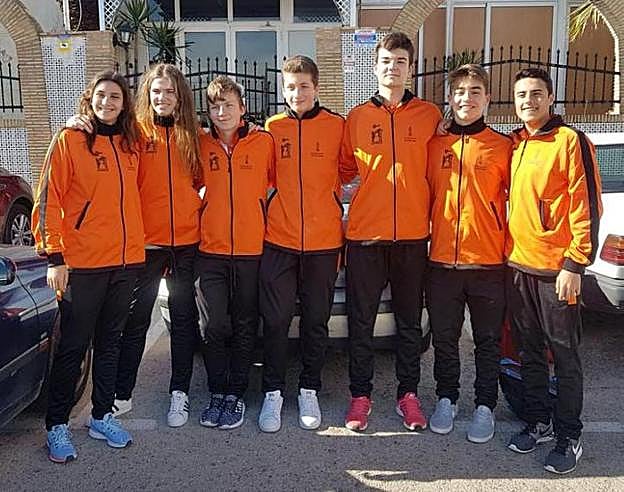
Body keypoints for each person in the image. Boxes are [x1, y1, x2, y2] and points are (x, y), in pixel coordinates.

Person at [66, 64, 203, 428]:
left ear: (180, 96)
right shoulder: (134, 134)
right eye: (156, 91)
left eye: (170, 91)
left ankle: (179, 393)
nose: (163, 97)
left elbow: (203, 180)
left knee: (184, 320)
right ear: (146, 94)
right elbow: (101, 138)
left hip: (186, 243)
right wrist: (78, 122)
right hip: (146, 245)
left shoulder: (195, 135)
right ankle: (121, 394)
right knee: (136, 320)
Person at [32, 70, 144, 463]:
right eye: (101, 95)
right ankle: (57, 425)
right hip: (82, 264)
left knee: (110, 344)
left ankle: (101, 415)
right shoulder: (70, 139)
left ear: (125, 104)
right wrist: (55, 257)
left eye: (115, 97)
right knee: (74, 347)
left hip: (125, 262)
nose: (107, 102)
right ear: (89, 98)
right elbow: (48, 199)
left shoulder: (131, 144)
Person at [339, 32, 441, 431]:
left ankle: (408, 396)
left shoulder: (430, 116)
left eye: (400, 61)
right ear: (375, 66)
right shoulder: (357, 118)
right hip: (365, 237)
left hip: (413, 237)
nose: (392, 67)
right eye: (385, 60)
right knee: (361, 321)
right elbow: (343, 171)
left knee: (410, 323)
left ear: (410, 68)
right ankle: (360, 396)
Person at [506, 67, 602, 474]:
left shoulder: (570, 140)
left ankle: (569, 435)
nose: (528, 101)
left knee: (564, 355)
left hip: (558, 271)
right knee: (529, 352)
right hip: (518, 266)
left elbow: (587, 205)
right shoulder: (515, 143)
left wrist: (575, 263)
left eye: (536, 94)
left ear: (550, 98)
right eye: (521, 95)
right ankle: (538, 421)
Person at [258, 55, 345, 432]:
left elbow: (350, 168)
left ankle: (309, 388)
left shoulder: (337, 126)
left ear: (316, 87)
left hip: (324, 242)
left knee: (315, 320)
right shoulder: (272, 128)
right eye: (291, 87)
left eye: (304, 86)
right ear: (283, 89)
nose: (297, 93)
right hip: (279, 239)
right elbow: (262, 175)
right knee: (276, 320)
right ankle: (273, 392)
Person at [426, 64, 511, 443]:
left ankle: (484, 406)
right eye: (460, 91)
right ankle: (447, 398)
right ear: (450, 97)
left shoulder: (503, 146)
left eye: (475, 91)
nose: (467, 98)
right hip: (441, 262)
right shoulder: (434, 145)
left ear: (487, 98)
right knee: (444, 339)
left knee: (487, 341)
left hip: (488, 263)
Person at [197, 76, 275, 430]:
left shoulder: (263, 142)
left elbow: (278, 182)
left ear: (243, 108)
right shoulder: (199, 144)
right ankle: (217, 391)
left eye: (228, 105)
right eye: (215, 106)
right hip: (210, 251)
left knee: (245, 325)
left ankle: (236, 395)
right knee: (214, 325)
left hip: (251, 251)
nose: (222, 112)